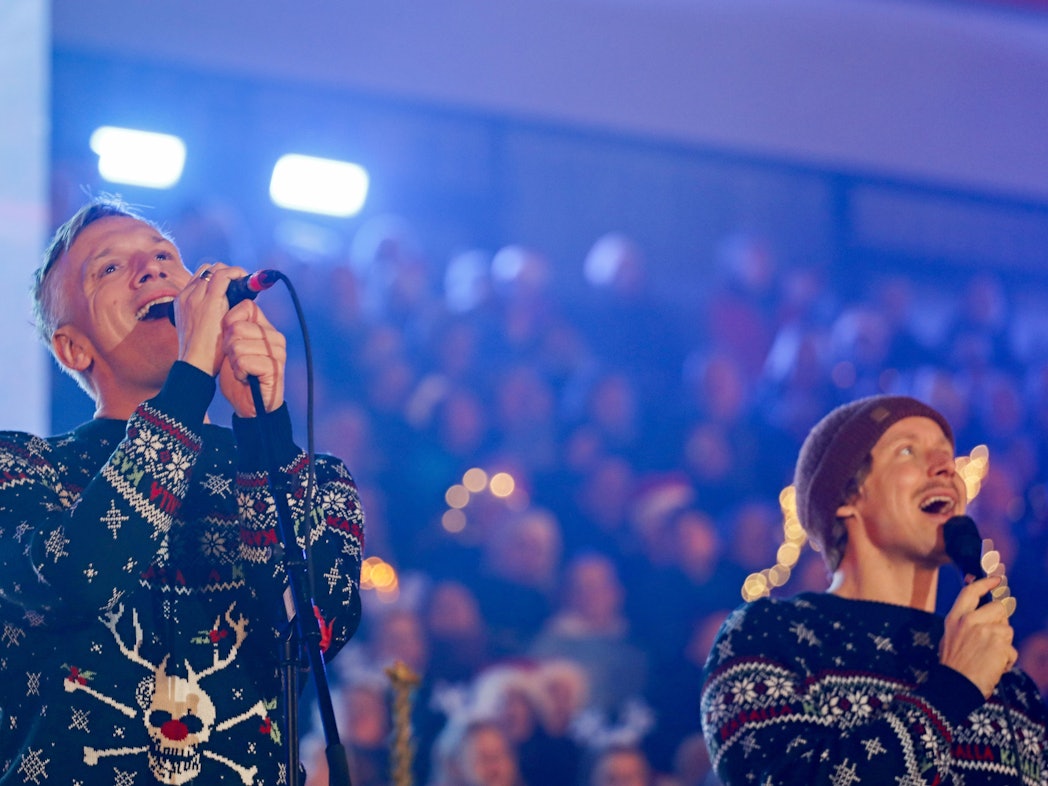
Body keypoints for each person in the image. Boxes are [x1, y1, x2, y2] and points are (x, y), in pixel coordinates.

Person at [0, 196, 364, 784]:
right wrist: (191, 380)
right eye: (110, 269)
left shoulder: (313, 480)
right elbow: (77, 574)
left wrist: (264, 428)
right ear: (73, 347)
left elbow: (316, 628)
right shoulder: (22, 469)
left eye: (165, 255)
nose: (151, 269)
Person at [700, 394, 1048, 785]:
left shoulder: (1009, 685)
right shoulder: (768, 637)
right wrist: (954, 688)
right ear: (847, 497)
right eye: (907, 451)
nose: (945, 469)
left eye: (947, 456)